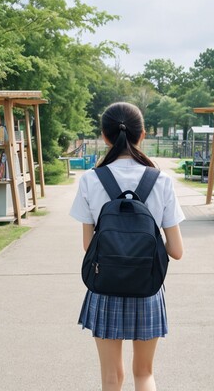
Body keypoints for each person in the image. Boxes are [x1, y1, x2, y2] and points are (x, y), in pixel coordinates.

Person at [70, 102, 184, 391]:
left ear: (105, 137)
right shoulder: (161, 181)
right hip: (147, 287)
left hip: (105, 286)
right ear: (142, 135)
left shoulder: (90, 180)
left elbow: (88, 245)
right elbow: (177, 251)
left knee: (111, 378)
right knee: (144, 374)